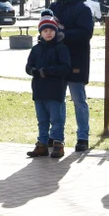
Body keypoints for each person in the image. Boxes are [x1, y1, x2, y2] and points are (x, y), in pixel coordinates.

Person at [50, 0, 95, 151]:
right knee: (57, 101)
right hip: (56, 61)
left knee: (78, 100)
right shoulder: (54, 6)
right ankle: (56, 137)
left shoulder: (83, 8)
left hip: (76, 60)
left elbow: (85, 34)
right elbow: (45, 27)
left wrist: (63, 32)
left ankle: (83, 137)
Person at [25, 11, 72, 159]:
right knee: (42, 120)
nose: (48, 33)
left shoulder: (61, 48)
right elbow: (28, 66)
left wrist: (48, 71)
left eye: (51, 30)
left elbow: (65, 68)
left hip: (55, 90)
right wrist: (33, 71)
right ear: (40, 33)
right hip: (39, 90)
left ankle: (58, 144)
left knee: (56, 120)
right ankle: (42, 145)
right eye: (45, 31)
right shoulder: (36, 49)